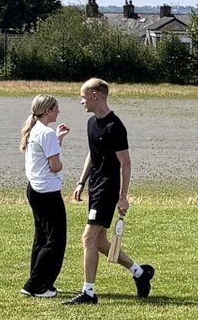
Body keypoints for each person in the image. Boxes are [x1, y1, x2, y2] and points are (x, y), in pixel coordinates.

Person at [64, 78, 155, 305]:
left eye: (83, 97)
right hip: (94, 188)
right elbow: (92, 154)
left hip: (108, 190)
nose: (81, 101)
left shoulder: (115, 127)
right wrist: (80, 182)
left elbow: (125, 163)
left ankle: (88, 293)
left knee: (87, 238)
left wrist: (123, 196)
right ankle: (140, 273)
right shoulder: (91, 123)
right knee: (101, 242)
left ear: (95, 96)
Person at [19, 94, 70, 298]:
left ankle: (40, 282)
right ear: (47, 110)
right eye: (56, 108)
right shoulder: (46, 133)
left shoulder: (35, 130)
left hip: (34, 190)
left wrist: (58, 139)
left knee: (41, 237)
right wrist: (60, 164)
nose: (58, 111)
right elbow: (54, 165)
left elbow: (45, 157)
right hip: (47, 192)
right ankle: (36, 285)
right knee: (56, 240)